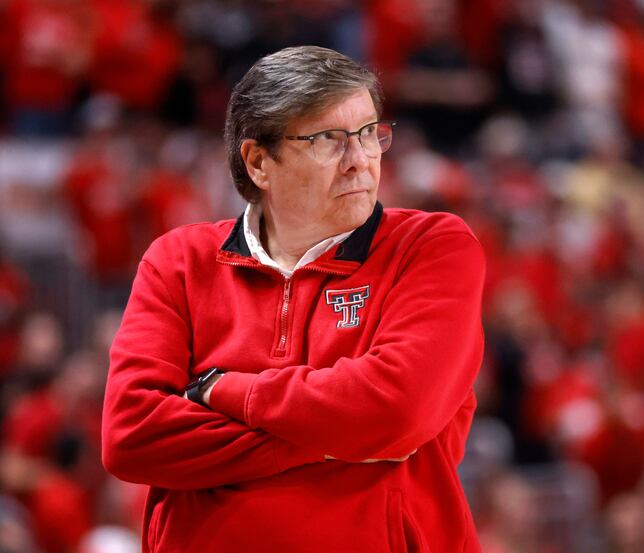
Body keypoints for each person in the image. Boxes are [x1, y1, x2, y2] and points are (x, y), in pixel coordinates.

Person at [101, 45, 486, 552]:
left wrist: (226, 391)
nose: (361, 162)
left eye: (370, 134)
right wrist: (338, 439)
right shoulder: (178, 260)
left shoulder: (434, 245)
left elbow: (395, 411)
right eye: (330, 140)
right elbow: (131, 437)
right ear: (259, 161)